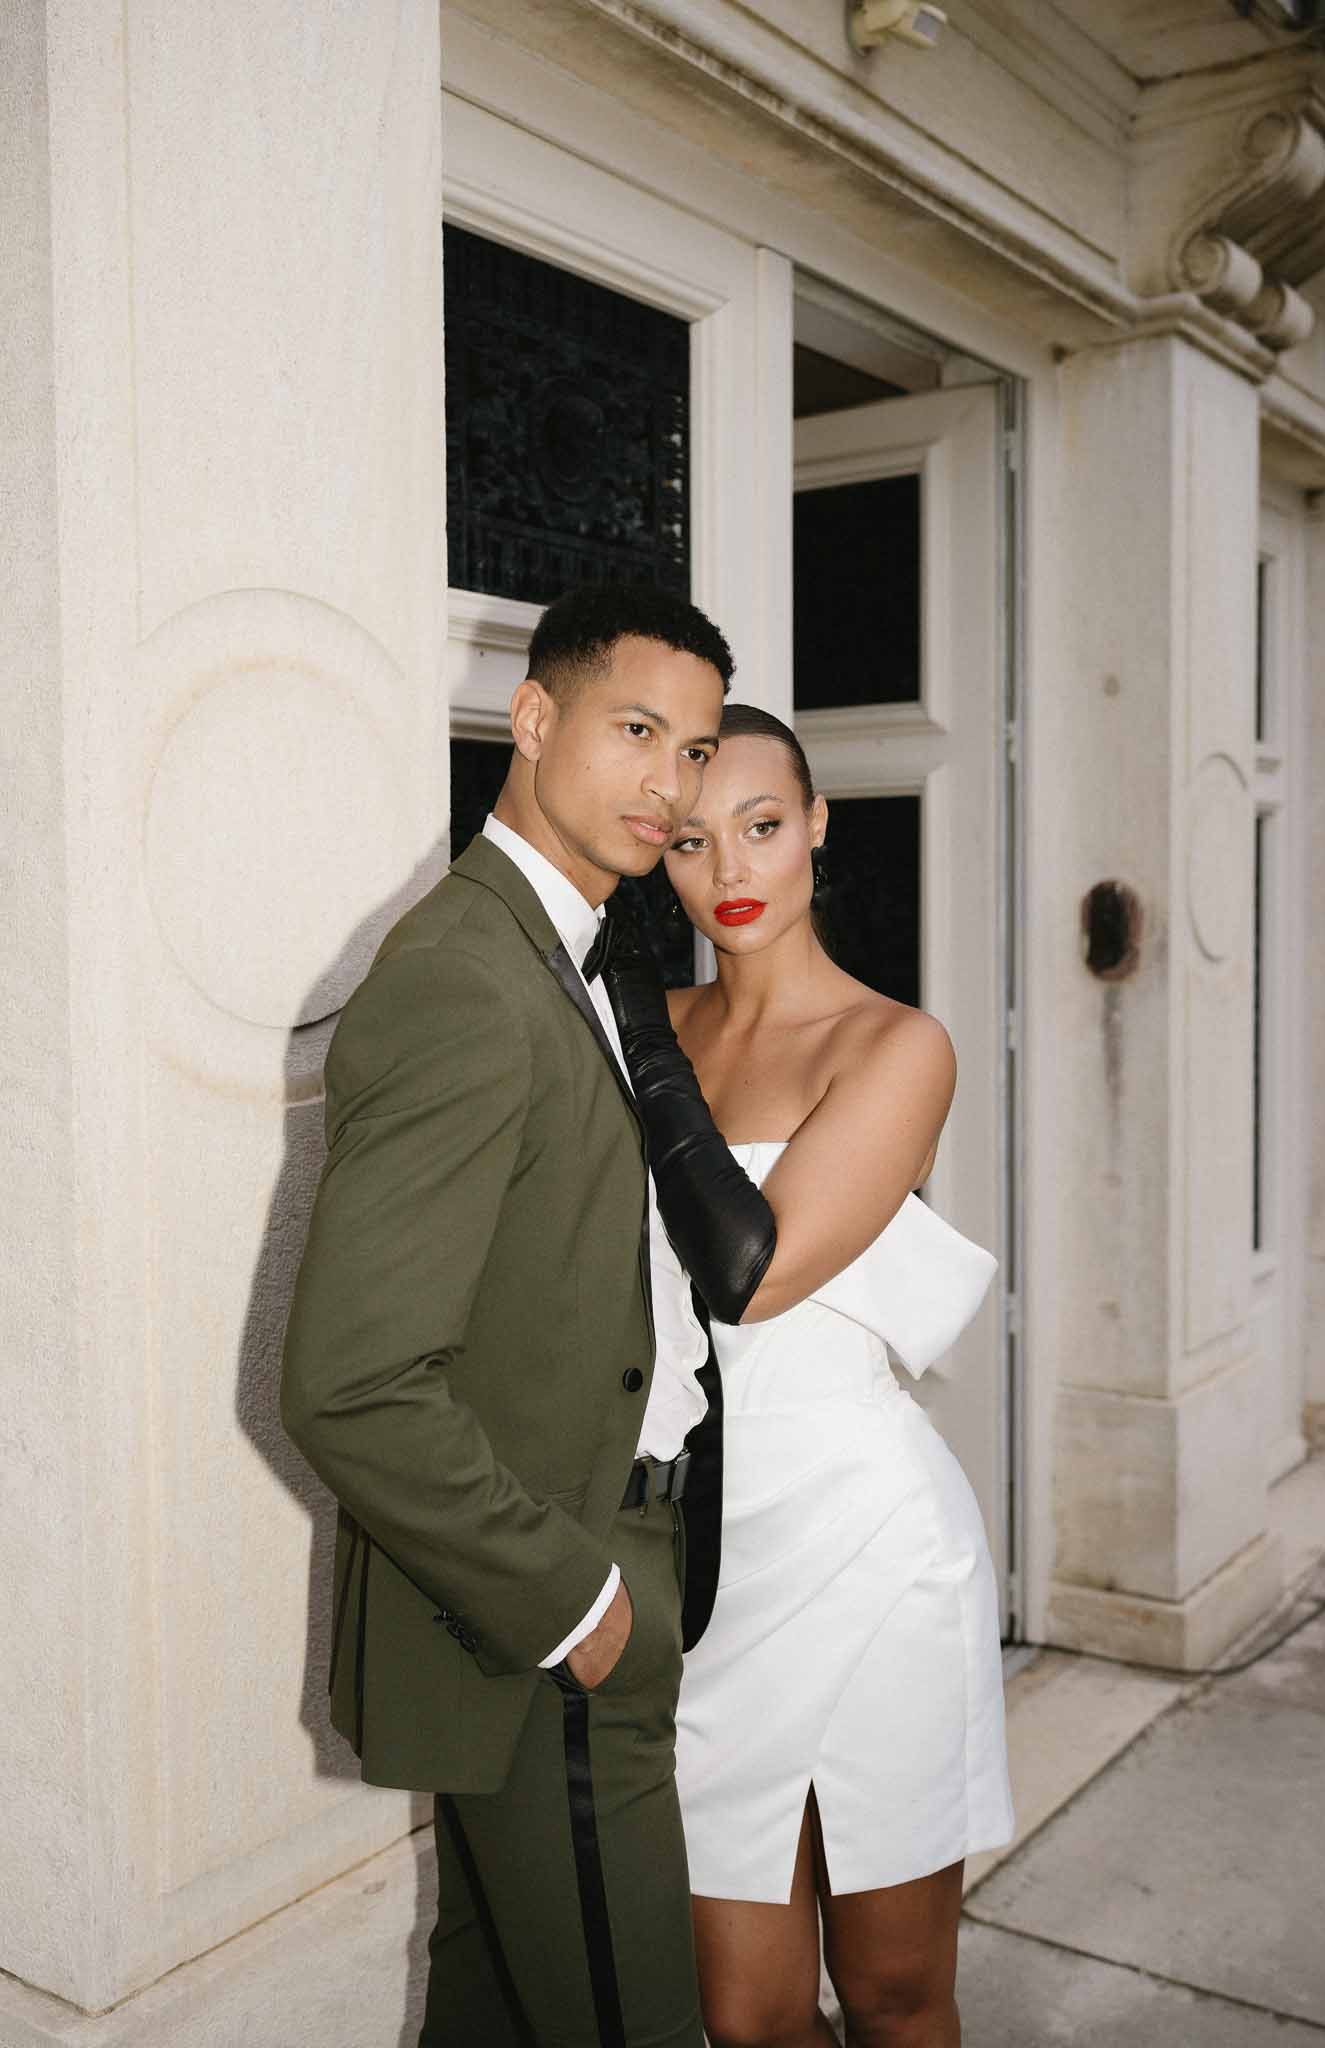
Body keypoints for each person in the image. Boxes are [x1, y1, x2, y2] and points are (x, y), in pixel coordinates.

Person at [279, 583, 734, 2048]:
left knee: (502, 2006)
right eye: (637, 731)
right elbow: (350, 1384)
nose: (670, 785)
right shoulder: (466, 977)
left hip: (610, 1555)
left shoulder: (576, 951)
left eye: (695, 750)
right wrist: (577, 1603)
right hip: (552, 1597)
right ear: (531, 719)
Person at [602, 703, 1014, 2048]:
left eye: (762, 828)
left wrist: (643, 1042)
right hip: (701, 1568)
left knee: (895, 1994)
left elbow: (758, 1272)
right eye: (689, 840)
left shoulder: (894, 1046)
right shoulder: (637, 1015)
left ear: (817, 826)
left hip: (866, 1551)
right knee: (743, 2014)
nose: (728, 870)